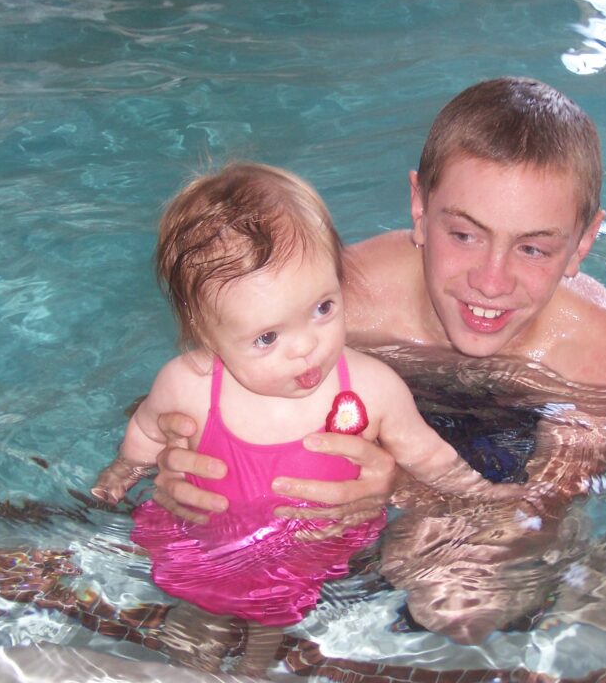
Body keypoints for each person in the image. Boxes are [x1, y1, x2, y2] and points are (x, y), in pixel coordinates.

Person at [107, 77, 606, 644]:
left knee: (456, 597)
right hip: (370, 436)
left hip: (502, 452)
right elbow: (195, 387)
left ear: (583, 241)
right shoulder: (341, 301)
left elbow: (534, 516)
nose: (491, 282)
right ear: (420, 207)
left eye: (533, 248)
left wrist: (399, 490)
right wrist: (177, 461)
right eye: (464, 234)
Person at [91, 162, 522, 669]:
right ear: (208, 335)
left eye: (322, 308)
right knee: (195, 623)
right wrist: (123, 471)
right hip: (206, 541)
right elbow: (147, 427)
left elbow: (428, 455)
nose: (306, 348)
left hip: (307, 551)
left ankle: (256, 669)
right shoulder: (187, 384)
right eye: (267, 337)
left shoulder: (372, 388)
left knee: (271, 628)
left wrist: (484, 498)